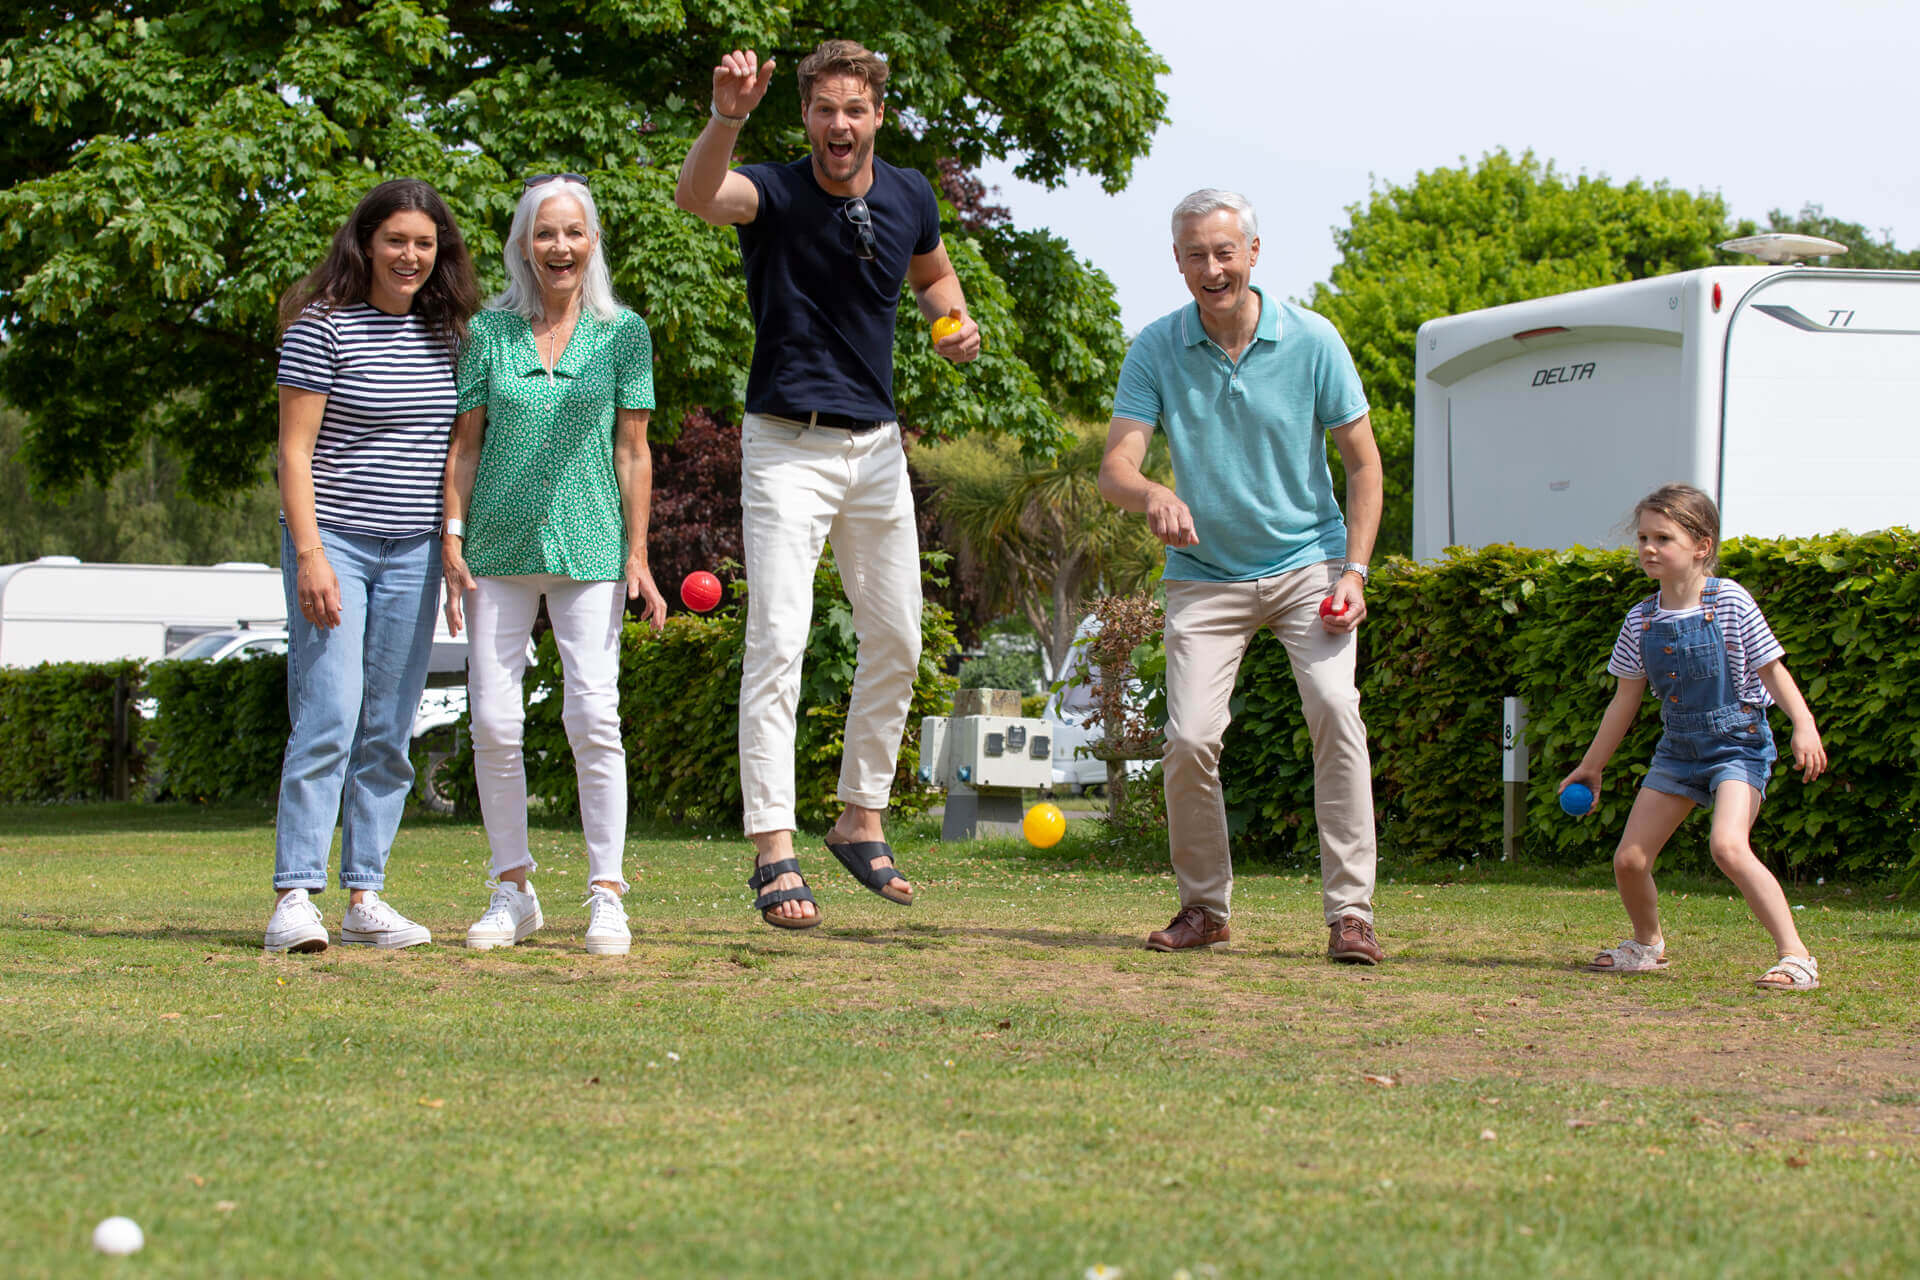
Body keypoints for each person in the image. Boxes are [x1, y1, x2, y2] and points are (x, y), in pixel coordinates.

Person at [673, 40, 980, 930]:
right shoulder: (771, 190)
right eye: (823, 110)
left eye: (854, 109)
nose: (839, 125)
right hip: (786, 445)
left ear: (878, 113)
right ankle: (773, 846)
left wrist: (951, 325)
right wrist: (727, 117)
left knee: (900, 637)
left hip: (877, 447)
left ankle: (859, 816)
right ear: (803, 115)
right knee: (778, 638)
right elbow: (698, 196)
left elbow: (932, 274)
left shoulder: (911, 193)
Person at [1097, 188, 1387, 964]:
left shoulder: (1313, 340)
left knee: (1335, 708)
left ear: (1253, 254)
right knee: (1190, 738)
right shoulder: (1157, 346)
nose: (1212, 268)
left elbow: (1363, 465)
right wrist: (1152, 492)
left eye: (1225, 252)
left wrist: (1354, 570)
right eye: (1196, 254)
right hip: (1204, 574)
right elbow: (1115, 467)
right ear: (1178, 261)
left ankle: (1350, 914)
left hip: (1307, 565)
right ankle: (1204, 908)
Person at [442, 175, 668, 957]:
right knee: (495, 723)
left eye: (573, 233)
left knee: (593, 716)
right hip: (496, 549)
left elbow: (632, 450)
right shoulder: (488, 334)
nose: (559, 247)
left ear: (592, 241)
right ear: (523, 244)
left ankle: (607, 892)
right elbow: (465, 445)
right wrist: (451, 536)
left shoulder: (623, 333)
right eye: (545, 234)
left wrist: (639, 555)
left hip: (592, 546)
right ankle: (513, 887)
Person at [264, 178, 480, 953]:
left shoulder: (450, 336)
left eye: (425, 244)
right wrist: (311, 554)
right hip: (337, 545)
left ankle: (365, 896)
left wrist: (455, 547)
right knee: (326, 715)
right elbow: (293, 455)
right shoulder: (321, 328)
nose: (411, 256)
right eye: (397, 240)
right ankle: (294, 896)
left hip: (415, 551)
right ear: (366, 243)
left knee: (389, 729)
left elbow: (459, 453)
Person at [1560, 484, 1828, 990]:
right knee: (1630, 859)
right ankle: (1646, 945)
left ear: (1702, 545)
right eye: (1642, 537)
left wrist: (1804, 725)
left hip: (1739, 743)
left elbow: (1772, 670)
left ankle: (1796, 957)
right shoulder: (1640, 619)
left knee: (1728, 846)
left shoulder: (1728, 600)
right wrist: (1591, 766)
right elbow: (1625, 700)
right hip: (1678, 750)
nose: (1648, 548)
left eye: (1663, 537)